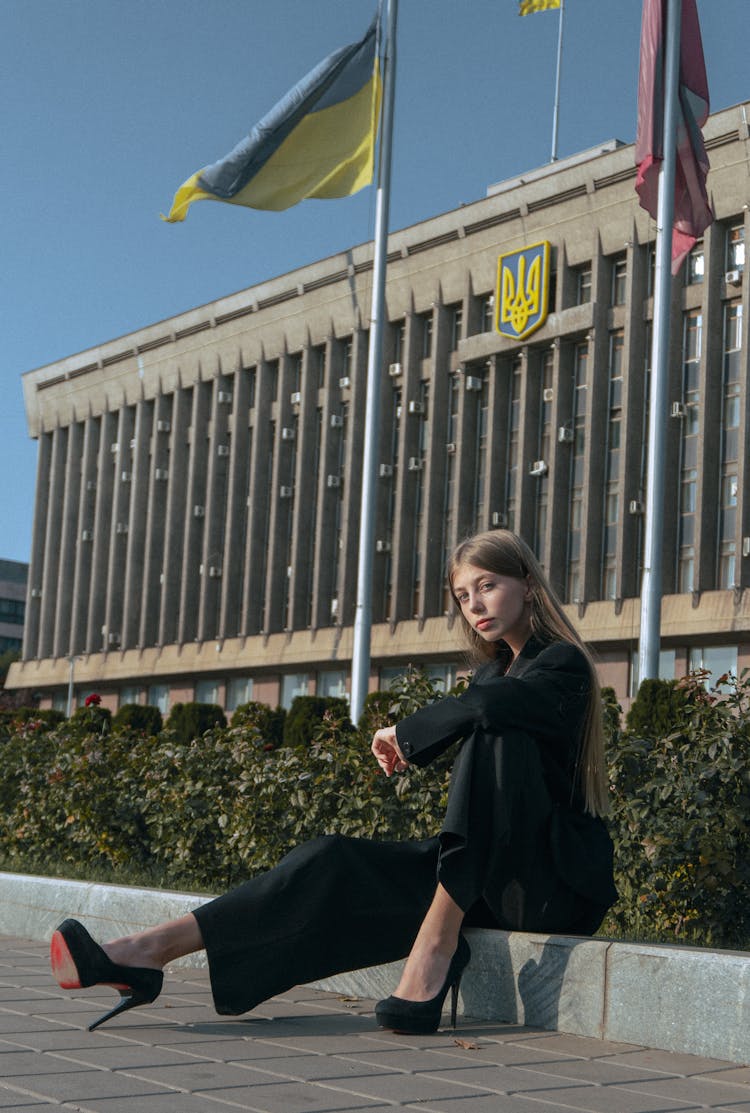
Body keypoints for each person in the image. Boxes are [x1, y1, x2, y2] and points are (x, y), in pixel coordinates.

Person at [50, 529, 617, 1036]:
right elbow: (484, 708)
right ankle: (145, 952)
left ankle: (436, 946)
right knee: (332, 860)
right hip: (488, 878)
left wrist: (407, 731)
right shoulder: (494, 673)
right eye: (463, 596)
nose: (474, 606)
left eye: (487, 586)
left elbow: (492, 709)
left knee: (499, 727)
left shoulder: (561, 665)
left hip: (551, 887)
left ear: (527, 584)